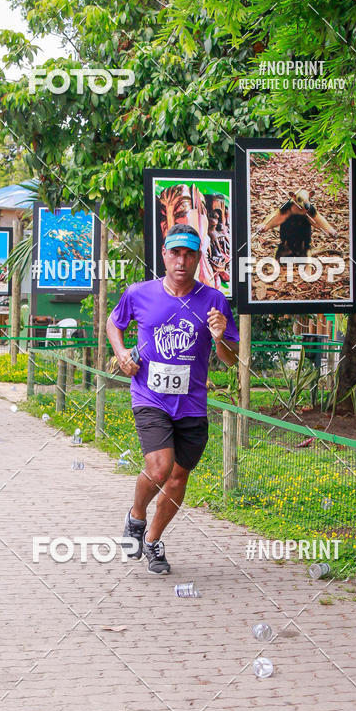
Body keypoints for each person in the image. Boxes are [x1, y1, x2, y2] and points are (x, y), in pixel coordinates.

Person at [106, 223, 239, 575]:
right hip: (150, 397)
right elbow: (113, 323)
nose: (181, 260)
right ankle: (135, 517)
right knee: (159, 468)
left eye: (189, 254)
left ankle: (152, 540)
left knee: (178, 479)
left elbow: (231, 359)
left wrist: (221, 336)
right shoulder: (139, 293)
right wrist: (121, 353)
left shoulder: (214, 301)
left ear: (198, 258)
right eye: (175, 253)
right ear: (164, 256)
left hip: (192, 404)